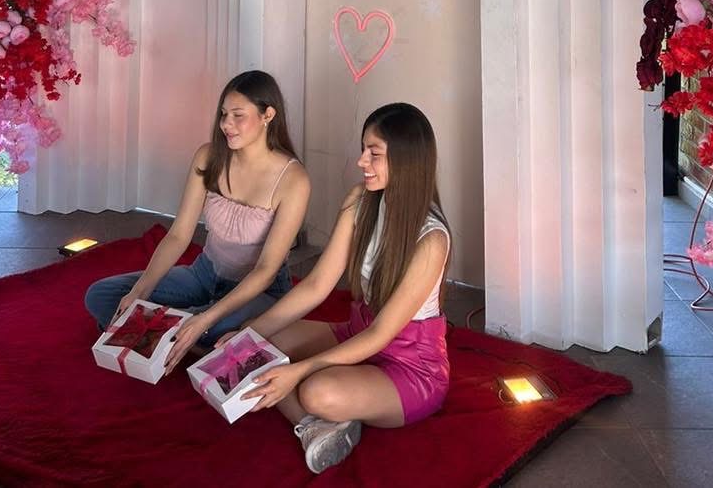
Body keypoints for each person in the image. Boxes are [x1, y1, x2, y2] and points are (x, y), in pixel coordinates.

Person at [237, 102, 451, 474]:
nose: (361, 161)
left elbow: (382, 334)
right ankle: (320, 427)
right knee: (258, 347)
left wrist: (299, 372)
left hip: (410, 367)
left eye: (374, 153)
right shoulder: (360, 199)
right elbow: (317, 284)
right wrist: (248, 334)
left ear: (406, 160)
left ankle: (315, 415)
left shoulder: (431, 240)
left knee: (315, 391)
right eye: (364, 149)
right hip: (358, 331)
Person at [84, 70, 310, 372]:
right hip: (204, 274)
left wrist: (205, 318)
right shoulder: (208, 156)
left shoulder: (294, 179)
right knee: (101, 295)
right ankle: (191, 342)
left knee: (209, 328)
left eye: (238, 115)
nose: (226, 124)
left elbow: (266, 271)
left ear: (268, 115)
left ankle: (183, 335)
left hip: (259, 291)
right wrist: (139, 292)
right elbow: (179, 235)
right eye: (224, 114)